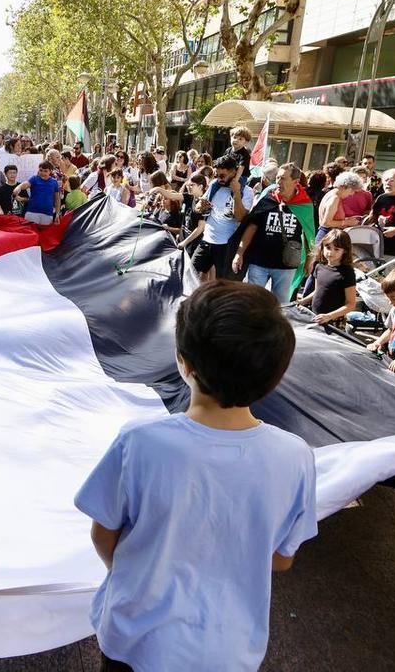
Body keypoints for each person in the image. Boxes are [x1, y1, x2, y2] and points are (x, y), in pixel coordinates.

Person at [74, 280, 316, 671]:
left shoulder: (140, 442)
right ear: (276, 373)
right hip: (229, 651)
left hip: (136, 639)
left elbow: (104, 533)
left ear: (184, 363)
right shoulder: (295, 456)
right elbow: (282, 559)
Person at [232, 163, 310, 304]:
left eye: (283, 178)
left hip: (286, 265)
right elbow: (252, 227)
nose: (278, 182)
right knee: (253, 301)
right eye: (277, 178)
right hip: (259, 262)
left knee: (281, 305)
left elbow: (309, 234)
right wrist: (239, 252)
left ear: (295, 182)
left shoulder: (305, 205)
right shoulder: (268, 199)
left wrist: (310, 260)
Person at [194, 155, 253, 281]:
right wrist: (201, 206)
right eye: (217, 175)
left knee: (222, 283)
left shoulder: (246, 191)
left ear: (233, 172)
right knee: (191, 274)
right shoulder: (215, 186)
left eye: (223, 175)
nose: (219, 179)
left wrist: (236, 193)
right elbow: (198, 208)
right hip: (207, 240)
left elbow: (240, 217)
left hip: (226, 245)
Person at [296, 229, 358, 326]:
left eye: (336, 249)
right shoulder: (319, 266)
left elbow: (350, 304)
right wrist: (302, 302)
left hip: (334, 322)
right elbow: (317, 290)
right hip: (316, 317)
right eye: (328, 247)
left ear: (345, 251)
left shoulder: (347, 272)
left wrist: (329, 316)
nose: (330, 252)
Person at [315, 171, 366, 243]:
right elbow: (326, 223)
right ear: (344, 187)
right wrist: (347, 222)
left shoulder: (332, 193)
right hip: (327, 236)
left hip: (327, 235)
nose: (352, 194)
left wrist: (347, 220)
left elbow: (332, 217)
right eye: (352, 190)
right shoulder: (335, 198)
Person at [12, 161, 62, 226]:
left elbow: (57, 200)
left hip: (47, 214)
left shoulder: (54, 182)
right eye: (41, 170)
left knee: (44, 235)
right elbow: (25, 185)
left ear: (50, 171)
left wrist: (57, 214)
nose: (42, 173)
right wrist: (18, 188)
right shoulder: (34, 179)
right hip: (32, 213)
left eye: (45, 171)